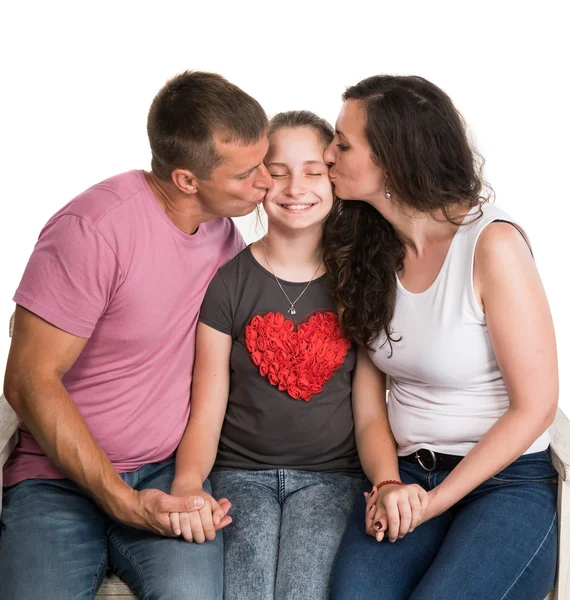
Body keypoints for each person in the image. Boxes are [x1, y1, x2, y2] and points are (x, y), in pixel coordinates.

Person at [0, 71, 272, 600]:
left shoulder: (223, 234)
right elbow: (28, 379)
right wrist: (121, 501)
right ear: (187, 179)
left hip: (167, 474)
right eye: (246, 173)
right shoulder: (94, 229)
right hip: (56, 480)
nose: (265, 181)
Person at [168, 110, 424, 600]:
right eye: (278, 171)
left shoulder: (360, 283)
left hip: (332, 480)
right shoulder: (228, 282)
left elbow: (370, 414)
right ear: (259, 181)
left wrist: (387, 481)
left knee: (303, 591)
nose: (295, 187)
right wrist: (187, 484)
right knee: (246, 591)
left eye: (312, 170)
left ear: (333, 180)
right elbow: (206, 410)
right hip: (238, 475)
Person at [324, 75, 559, 600]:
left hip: (505, 483)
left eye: (343, 142)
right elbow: (369, 409)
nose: (328, 153)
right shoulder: (366, 249)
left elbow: (536, 407)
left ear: (391, 159)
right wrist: (388, 485)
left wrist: (434, 503)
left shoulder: (491, 245)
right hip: (406, 475)